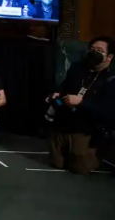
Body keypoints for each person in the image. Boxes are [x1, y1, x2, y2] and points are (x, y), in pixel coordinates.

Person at [45, 37, 115, 174]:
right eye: (92, 49)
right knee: (56, 164)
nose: (94, 53)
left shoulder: (111, 80)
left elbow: (109, 113)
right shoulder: (77, 68)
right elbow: (63, 88)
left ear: (109, 57)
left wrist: (82, 102)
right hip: (63, 123)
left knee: (78, 169)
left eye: (100, 51)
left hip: (86, 130)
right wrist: (56, 95)